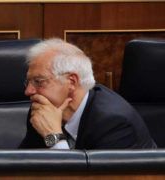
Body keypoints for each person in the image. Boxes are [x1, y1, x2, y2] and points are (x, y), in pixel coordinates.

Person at [20, 38, 157, 149]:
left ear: (72, 82)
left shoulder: (114, 124)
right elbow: (22, 169)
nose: (28, 91)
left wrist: (53, 137)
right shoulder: (44, 111)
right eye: (28, 82)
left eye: (38, 81)